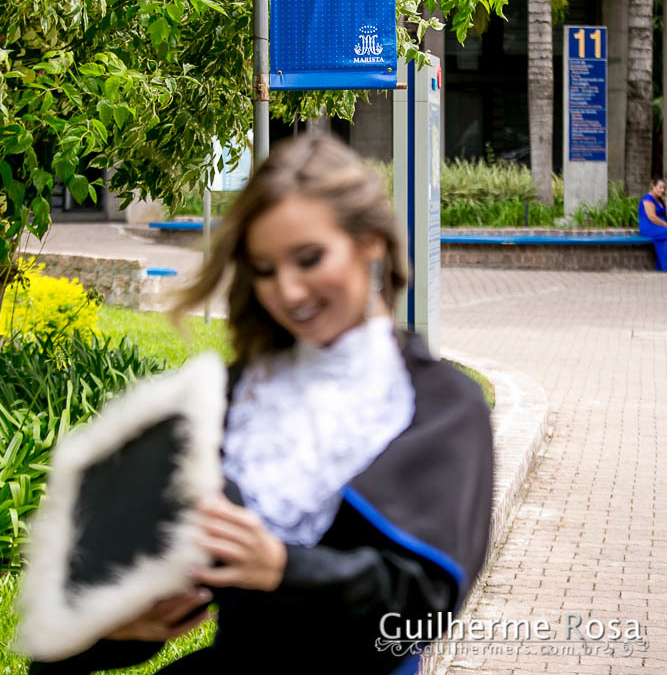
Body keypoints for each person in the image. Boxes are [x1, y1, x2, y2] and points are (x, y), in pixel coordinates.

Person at [28, 135, 493, 675]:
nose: (289, 292)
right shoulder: (236, 396)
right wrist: (114, 628)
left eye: (309, 258)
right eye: (266, 270)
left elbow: (422, 610)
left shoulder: (441, 406)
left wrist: (282, 568)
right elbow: (140, 581)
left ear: (370, 243)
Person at [638, 177, 667, 271]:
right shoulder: (648, 198)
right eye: (660, 187)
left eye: (664, 188)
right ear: (653, 186)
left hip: (661, 227)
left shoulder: (660, 200)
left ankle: (661, 266)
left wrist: (666, 201)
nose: (662, 190)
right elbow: (652, 217)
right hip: (650, 227)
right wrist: (666, 225)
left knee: (663, 240)